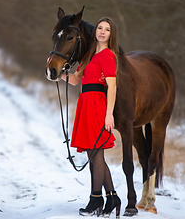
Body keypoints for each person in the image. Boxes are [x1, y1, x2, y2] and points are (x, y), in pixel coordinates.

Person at [60, 17, 121, 218]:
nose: (102, 32)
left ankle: (96, 199)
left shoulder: (107, 55)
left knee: (96, 154)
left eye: (107, 29)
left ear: (111, 34)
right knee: (92, 155)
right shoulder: (89, 55)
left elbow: (112, 86)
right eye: (100, 28)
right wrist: (59, 74)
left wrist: (109, 113)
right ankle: (112, 196)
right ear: (95, 31)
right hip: (84, 104)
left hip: (97, 104)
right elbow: (77, 80)